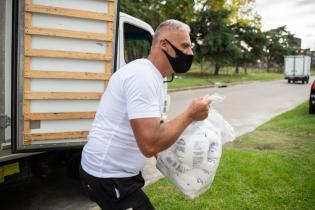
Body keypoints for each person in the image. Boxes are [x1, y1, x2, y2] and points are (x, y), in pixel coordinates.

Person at [80, 19, 211, 210]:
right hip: (108, 175)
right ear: (164, 44)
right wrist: (190, 114)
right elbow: (150, 144)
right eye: (185, 46)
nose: (190, 53)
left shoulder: (153, 75)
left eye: (190, 47)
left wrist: (175, 165)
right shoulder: (143, 77)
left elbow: (153, 130)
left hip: (116, 174)